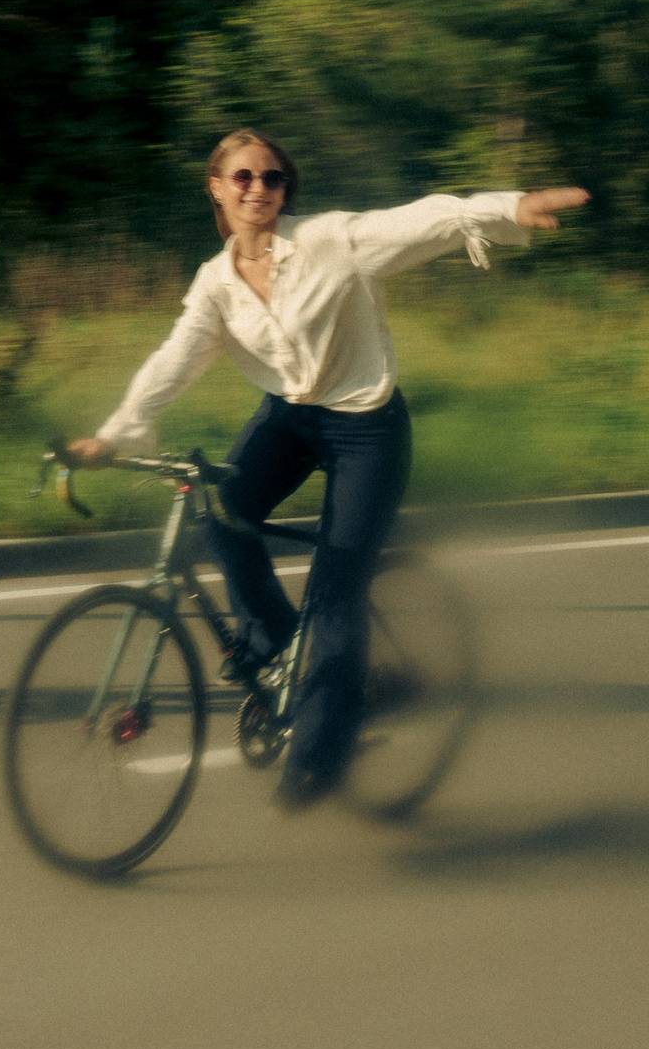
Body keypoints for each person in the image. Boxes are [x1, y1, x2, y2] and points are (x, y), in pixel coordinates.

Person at [66, 128, 588, 806]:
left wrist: (505, 206)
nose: (259, 190)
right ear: (217, 187)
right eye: (244, 178)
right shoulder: (216, 281)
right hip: (289, 416)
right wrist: (114, 434)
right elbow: (179, 356)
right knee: (221, 515)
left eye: (273, 179)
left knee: (335, 590)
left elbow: (420, 220)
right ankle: (280, 651)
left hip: (366, 428)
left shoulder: (329, 239)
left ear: (287, 189)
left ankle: (321, 749)